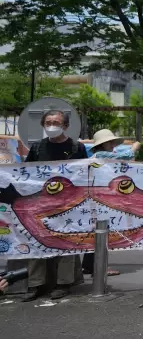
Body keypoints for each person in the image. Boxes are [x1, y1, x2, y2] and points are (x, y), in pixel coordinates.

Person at [19, 110, 88, 301]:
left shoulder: (76, 147)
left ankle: (63, 283)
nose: (51, 126)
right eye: (48, 122)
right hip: (40, 203)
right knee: (37, 241)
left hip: (68, 203)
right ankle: (35, 285)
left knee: (66, 241)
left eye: (56, 122)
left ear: (65, 126)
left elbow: (84, 174)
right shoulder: (38, 148)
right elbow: (26, 173)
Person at [83, 128, 136, 278]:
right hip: (100, 197)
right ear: (103, 144)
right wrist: (135, 146)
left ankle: (89, 266)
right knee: (101, 232)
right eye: (110, 142)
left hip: (99, 196)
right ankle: (98, 268)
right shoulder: (100, 155)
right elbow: (128, 155)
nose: (113, 145)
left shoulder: (99, 156)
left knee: (96, 233)